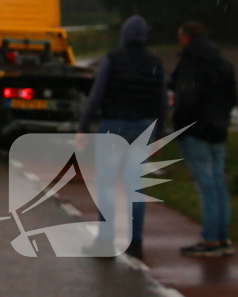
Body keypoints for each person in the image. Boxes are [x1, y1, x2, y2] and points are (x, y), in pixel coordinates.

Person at [77, 15, 169, 260]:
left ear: (124, 35)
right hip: (141, 129)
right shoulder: (156, 63)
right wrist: (159, 135)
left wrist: (83, 126)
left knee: (106, 184)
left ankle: (105, 241)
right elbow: (162, 103)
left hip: (113, 126)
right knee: (135, 186)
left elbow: (97, 94)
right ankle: (136, 242)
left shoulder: (113, 59)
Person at [171, 21, 237, 258]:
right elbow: (232, 96)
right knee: (218, 183)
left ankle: (209, 239)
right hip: (218, 129)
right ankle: (222, 236)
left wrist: (180, 126)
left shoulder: (191, 63)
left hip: (196, 129)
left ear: (187, 37)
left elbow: (185, 98)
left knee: (205, 185)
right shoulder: (223, 63)